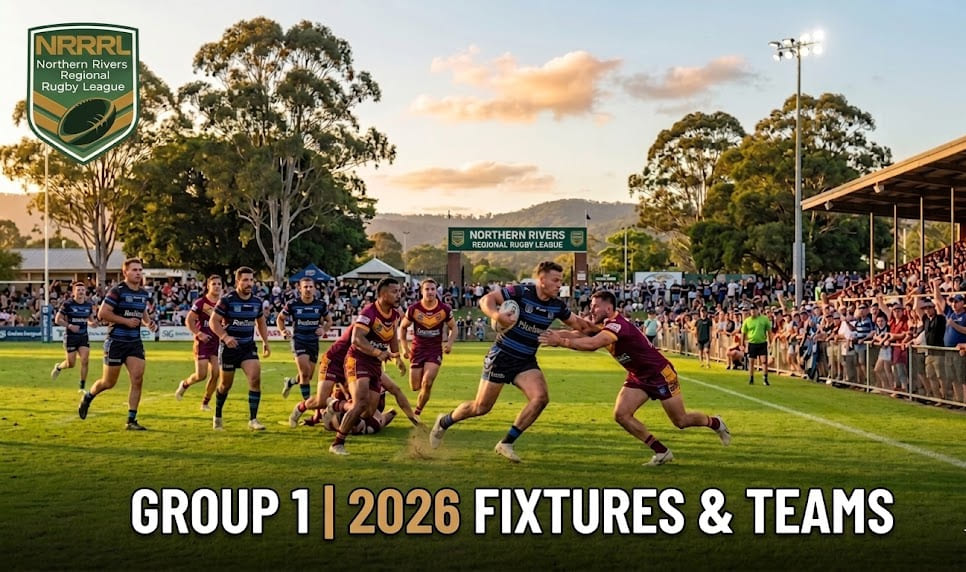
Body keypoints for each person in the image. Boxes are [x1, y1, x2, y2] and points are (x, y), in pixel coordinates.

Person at [429, 261, 597, 463]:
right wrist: (496, 315)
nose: (559, 285)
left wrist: (610, 327)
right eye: (555, 280)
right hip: (502, 356)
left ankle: (506, 443)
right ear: (541, 280)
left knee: (540, 398)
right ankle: (444, 421)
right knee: (481, 407)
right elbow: (487, 299)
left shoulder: (557, 306)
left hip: (525, 360)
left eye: (560, 281)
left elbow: (581, 326)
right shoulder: (521, 292)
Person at [540, 290, 729, 465]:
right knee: (621, 415)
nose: (591, 309)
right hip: (638, 376)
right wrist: (549, 335)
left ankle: (716, 423)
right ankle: (661, 451)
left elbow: (592, 344)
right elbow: (577, 333)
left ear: (608, 308)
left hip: (659, 374)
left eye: (595, 305)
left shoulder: (618, 326)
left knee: (681, 421)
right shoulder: (604, 324)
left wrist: (562, 342)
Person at [329, 277, 409, 455]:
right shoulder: (369, 312)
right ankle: (337, 443)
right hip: (359, 360)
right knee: (361, 403)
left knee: (368, 411)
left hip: (375, 364)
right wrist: (376, 352)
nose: (399, 295)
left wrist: (397, 357)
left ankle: (338, 406)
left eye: (399, 291)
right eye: (394, 292)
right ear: (382, 294)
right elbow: (356, 339)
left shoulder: (395, 314)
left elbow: (393, 335)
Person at [77, 258, 157, 430]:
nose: (138, 273)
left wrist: (149, 323)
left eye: (140, 270)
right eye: (134, 270)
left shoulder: (143, 293)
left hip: (134, 342)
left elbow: (142, 311)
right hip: (116, 341)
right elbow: (102, 313)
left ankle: (131, 420)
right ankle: (88, 396)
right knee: (109, 382)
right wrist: (126, 321)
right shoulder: (117, 291)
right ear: (125, 272)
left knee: (137, 378)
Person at [209, 267, 271, 431]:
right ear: (237, 282)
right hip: (229, 349)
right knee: (225, 386)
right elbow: (213, 322)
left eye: (251, 280)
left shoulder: (257, 302)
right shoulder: (227, 300)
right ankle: (218, 415)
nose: (249, 283)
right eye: (245, 280)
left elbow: (261, 322)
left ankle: (253, 419)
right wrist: (225, 337)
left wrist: (265, 341)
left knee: (255, 379)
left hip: (247, 347)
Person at [398, 279, 456, 417]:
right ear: (421, 291)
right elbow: (403, 327)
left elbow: (453, 328)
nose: (430, 292)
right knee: (415, 387)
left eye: (432, 289)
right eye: (427, 289)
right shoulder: (414, 309)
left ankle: (417, 412)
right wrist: (404, 347)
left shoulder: (444, 309)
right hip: (417, 350)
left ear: (436, 291)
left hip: (434, 350)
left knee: (427, 382)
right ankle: (421, 398)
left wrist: (449, 343)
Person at [174, 274, 223, 410]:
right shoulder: (201, 303)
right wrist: (199, 333)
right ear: (208, 286)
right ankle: (184, 384)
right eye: (214, 284)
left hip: (217, 343)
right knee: (201, 375)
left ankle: (205, 402)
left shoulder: (223, 303)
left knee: (216, 373)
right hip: (202, 343)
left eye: (219, 284)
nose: (217, 286)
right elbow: (189, 320)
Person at [278, 278, 332, 401]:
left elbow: (329, 321)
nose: (308, 289)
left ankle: (290, 382)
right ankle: (307, 405)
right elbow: (280, 318)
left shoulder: (321, 304)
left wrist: (323, 330)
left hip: (313, 342)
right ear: (300, 289)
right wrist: (282, 330)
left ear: (314, 288)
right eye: (305, 287)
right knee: (304, 374)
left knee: (308, 376)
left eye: (310, 287)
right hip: (299, 341)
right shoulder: (292, 304)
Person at [51, 281, 98, 390]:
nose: (81, 292)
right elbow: (58, 320)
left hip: (83, 337)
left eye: (83, 290)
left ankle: (82, 386)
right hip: (71, 337)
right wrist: (69, 325)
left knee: (85, 360)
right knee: (70, 364)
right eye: (78, 290)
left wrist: (93, 324)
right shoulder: (68, 304)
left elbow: (90, 320)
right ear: (74, 292)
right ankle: (58, 367)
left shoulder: (88, 305)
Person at [741, 304, 772, 386]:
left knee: (764, 361)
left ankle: (765, 378)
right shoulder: (747, 321)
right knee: (751, 362)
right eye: (751, 310)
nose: (753, 311)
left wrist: (770, 342)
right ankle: (751, 378)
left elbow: (769, 331)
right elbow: (743, 333)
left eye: (754, 309)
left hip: (762, 342)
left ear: (758, 310)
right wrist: (742, 344)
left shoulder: (764, 319)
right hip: (752, 343)